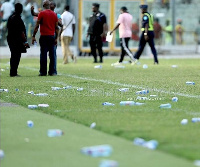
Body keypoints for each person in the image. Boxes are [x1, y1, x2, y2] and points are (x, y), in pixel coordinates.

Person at [31, 1, 62, 75]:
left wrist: (33, 36)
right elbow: (57, 28)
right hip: (52, 36)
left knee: (43, 54)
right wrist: (56, 38)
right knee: (52, 55)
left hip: (44, 36)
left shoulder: (42, 13)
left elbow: (37, 26)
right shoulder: (54, 14)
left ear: (43, 5)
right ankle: (53, 72)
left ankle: (43, 72)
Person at [7, 3, 30, 77]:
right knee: (16, 56)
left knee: (13, 55)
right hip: (17, 40)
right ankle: (14, 72)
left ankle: (12, 71)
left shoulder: (11, 17)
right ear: (21, 9)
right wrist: (25, 41)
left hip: (10, 39)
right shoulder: (18, 19)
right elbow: (22, 32)